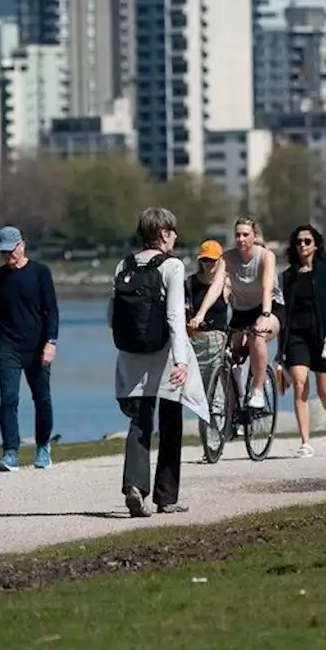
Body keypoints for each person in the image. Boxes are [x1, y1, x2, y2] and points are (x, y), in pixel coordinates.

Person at [111, 207, 208, 517]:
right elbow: (175, 317)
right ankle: (166, 497)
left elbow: (112, 316)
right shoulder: (173, 267)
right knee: (170, 423)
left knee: (139, 422)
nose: (176, 237)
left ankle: (134, 486)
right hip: (164, 356)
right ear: (164, 233)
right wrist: (181, 362)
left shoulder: (122, 266)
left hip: (131, 355)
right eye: (173, 232)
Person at [187, 216, 283, 410]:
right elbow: (216, 287)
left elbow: (267, 289)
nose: (241, 239)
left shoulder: (266, 256)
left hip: (268, 307)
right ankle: (236, 403)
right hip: (242, 310)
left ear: (254, 236)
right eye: (237, 235)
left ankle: (257, 391)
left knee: (258, 336)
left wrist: (265, 315)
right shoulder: (228, 258)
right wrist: (200, 315)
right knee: (230, 354)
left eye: (245, 235)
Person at [0, 225, 59, 472]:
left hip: (37, 345)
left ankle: (43, 446)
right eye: (4, 253)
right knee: (8, 399)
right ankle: (10, 452)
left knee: (42, 399)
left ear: (22, 245)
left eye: (11, 251)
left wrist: (51, 342)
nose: (9, 257)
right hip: (7, 346)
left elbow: (51, 310)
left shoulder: (40, 273)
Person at [279, 225, 326, 457]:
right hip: (297, 337)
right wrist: (280, 354)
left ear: (315, 244)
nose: (303, 246)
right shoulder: (287, 277)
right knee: (299, 384)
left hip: (325, 335)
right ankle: (305, 442)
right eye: (299, 242)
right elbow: (283, 313)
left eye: (307, 241)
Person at [185, 240, 229, 392]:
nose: (208, 264)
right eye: (204, 260)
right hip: (196, 340)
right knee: (201, 393)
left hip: (218, 339)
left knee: (219, 392)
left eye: (212, 260)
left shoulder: (226, 283)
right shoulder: (191, 283)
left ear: (220, 261)